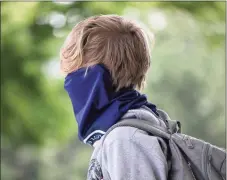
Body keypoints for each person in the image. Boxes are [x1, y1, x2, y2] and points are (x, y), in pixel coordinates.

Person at [60, 15, 168, 180]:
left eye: (75, 74)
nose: (69, 84)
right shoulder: (125, 134)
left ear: (98, 76)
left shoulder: (125, 140)